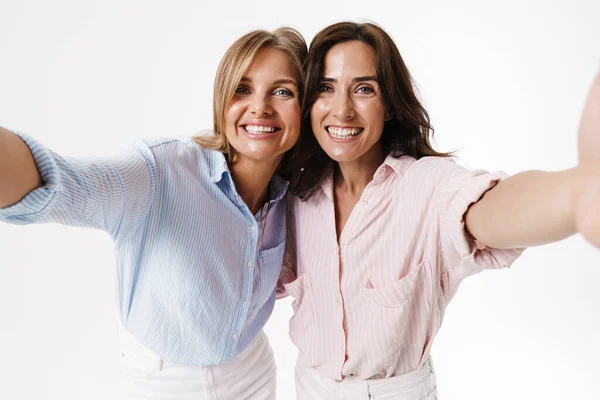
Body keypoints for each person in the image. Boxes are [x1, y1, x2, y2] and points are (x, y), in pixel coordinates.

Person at [279, 21, 599, 400]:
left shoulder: (426, 185)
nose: (342, 109)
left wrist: (575, 195)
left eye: (364, 89)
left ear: (389, 105)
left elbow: (486, 211)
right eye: (326, 88)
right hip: (308, 388)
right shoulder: (296, 195)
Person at [0, 27, 306, 400]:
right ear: (221, 101)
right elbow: (66, 182)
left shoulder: (292, 196)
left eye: (282, 91)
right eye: (242, 88)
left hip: (250, 369)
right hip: (163, 380)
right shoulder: (160, 169)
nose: (260, 106)